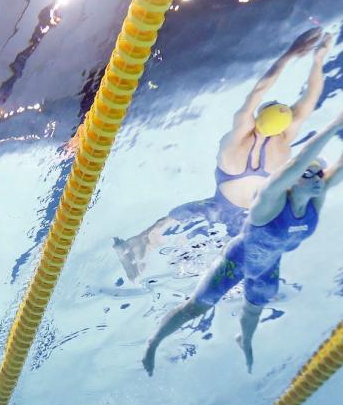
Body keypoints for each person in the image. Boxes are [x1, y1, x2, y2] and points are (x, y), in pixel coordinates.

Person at [115, 28, 332, 281]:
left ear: (258, 116)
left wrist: (289, 54)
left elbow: (258, 91)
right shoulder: (284, 143)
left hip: (217, 207)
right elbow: (310, 98)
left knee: (176, 220)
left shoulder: (237, 137)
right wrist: (318, 61)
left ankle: (141, 243)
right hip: (254, 220)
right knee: (238, 263)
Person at [142, 110, 343, 376]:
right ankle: (153, 343)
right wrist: (335, 123)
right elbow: (296, 165)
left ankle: (244, 340)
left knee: (253, 312)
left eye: (320, 174)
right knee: (195, 308)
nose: (317, 179)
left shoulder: (314, 202)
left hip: (268, 268)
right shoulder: (269, 201)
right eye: (308, 173)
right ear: (291, 179)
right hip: (235, 262)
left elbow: (337, 169)